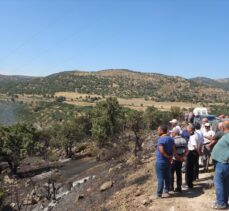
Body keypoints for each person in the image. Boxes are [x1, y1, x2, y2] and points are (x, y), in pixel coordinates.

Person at [211, 120, 229, 209]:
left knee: (219, 183)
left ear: (223, 127)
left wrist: (227, 158)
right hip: (222, 163)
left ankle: (221, 203)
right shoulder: (226, 135)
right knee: (225, 183)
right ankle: (223, 201)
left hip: (223, 163)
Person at [155, 125, 175, 198]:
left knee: (160, 178)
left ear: (161, 131)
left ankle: (159, 194)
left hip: (161, 161)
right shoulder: (171, 139)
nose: (157, 131)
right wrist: (170, 157)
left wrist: (167, 156)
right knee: (167, 176)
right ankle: (166, 191)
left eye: (158, 130)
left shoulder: (161, 139)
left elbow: (161, 150)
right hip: (167, 162)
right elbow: (174, 149)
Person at [169, 128, 188, 192]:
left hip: (174, 159)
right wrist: (182, 157)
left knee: (171, 173)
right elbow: (187, 150)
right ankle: (179, 187)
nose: (171, 133)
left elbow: (173, 151)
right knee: (179, 173)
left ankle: (171, 188)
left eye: (172, 132)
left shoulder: (173, 140)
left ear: (175, 133)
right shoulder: (184, 140)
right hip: (180, 159)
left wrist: (178, 158)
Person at [185, 124, 199, 188]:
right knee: (193, 167)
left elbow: (195, 146)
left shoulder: (192, 136)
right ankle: (191, 182)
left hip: (192, 152)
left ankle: (189, 183)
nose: (186, 129)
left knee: (189, 169)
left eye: (187, 128)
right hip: (195, 152)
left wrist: (198, 152)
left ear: (190, 129)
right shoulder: (197, 134)